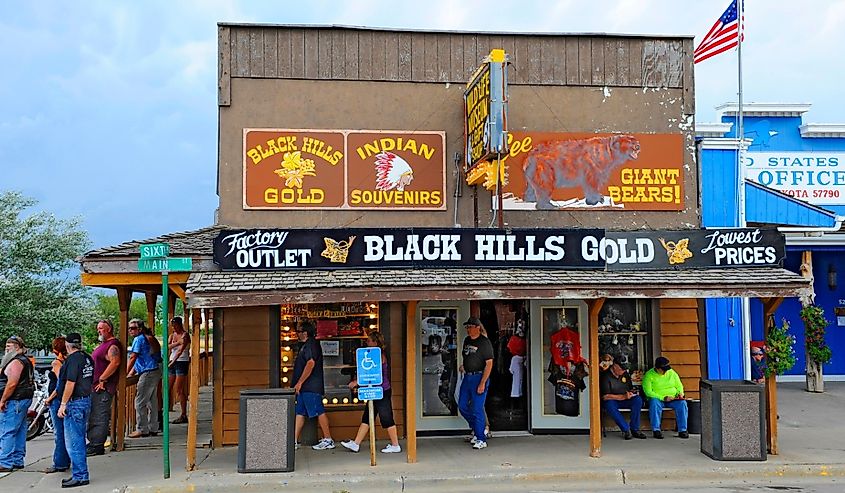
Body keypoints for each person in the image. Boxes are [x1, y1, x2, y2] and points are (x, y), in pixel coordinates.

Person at [340, 330, 401, 454]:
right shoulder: (377, 354)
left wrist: (356, 382)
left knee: (386, 417)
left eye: (369, 340)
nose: (366, 342)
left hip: (381, 390)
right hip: (374, 390)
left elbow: (371, 372)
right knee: (367, 417)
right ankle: (356, 444)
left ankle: (395, 445)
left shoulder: (378, 355)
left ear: (375, 342)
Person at [57, 332, 94, 488]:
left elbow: (70, 383)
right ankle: (80, 474)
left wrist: (63, 403)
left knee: (74, 441)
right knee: (78, 438)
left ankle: (80, 475)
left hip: (74, 403)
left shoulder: (73, 360)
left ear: (67, 345)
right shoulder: (87, 358)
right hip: (85, 400)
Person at [292, 320, 335, 450]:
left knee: (319, 411)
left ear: (305, 333)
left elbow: (310, 363)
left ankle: (328, 439)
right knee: (300, 413)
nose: (297, 334)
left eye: (299, 332)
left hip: (311, 386)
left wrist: (300, 382)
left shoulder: (311, 345)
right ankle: (293, 440)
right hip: (304, 388)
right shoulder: (305, 345)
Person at [87, 319, 122, 456]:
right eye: (98, 328)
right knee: (94, 414)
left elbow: (115, 362)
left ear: (109, 329)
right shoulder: (104, 345)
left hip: (103, 388)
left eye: (101, 328)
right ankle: (93, 442)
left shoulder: (113, 345)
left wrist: (103, 378)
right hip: (95, 386)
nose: (99, 331)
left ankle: (97, 445)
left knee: (99, 416)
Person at [458, 317, 494, 450]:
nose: (468, 329)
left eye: (471, 327)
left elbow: (489, 364)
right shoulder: (467, 340)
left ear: (478, 327)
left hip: (479, 377)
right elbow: (468, 356)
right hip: (467, 377)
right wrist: (464, 366)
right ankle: (477, 428)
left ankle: (481, 439)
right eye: (467, 327)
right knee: (462, 406)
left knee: (477, 408)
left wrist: (482, 382)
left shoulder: (485, 343)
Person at [0, 335, 34, 472]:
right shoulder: (22, 360)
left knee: (7, 431)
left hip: (15, 399)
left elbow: (12, 383)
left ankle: (5, 462)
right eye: (6, 346)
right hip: (22, 399)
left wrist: (3, 399)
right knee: (19, 430)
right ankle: (17, 460)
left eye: (9, 346)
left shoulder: (16, 362)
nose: (6, 349)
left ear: (17, 347)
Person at [127, 319, 161, 438]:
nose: (130, 330)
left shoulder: (139, 339)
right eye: (129, 328)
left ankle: (142, 429)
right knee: (152, 401)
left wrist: (125, 373)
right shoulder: (146, 338)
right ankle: (153, 427)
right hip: (154, 370)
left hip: (147, 372)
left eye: (133, 328)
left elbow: (133, 357)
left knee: (139, 402)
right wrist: (131, 372)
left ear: (140, 329)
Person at [642, 356, 688, 439]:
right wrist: (663, 398)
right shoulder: (649, 375)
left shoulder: (671, 372)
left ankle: (682, 430)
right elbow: (648, 392)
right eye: (663, 369)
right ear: (657, 368)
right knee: (654, 403)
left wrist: (680, 393)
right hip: (658, 399)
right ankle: (656, 430)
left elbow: (679, 385)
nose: (665, 371)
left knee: (682, 404)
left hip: (673, 399)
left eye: (666, 369)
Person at [43, 337, 70, 474]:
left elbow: (60, 384)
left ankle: (59, 462)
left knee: (59, 432)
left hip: (57, 400)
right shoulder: (67, 361)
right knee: (65, 432)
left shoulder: (57, 363)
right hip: (64, 399)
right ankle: (65, 460)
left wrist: (49, 398)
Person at [600, 363, 647, 440]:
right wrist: (623, 397)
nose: (623, 371)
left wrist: (631, 393)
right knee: (609, 405)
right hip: (612, 400)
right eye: (622, 369)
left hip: (625, 399)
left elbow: (629, 388)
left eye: (625, 369)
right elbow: (605, 396)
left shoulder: (625, 374)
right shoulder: (605, 376)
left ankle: (635, 429)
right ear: (615, 366)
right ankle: (625, 430)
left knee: (637, 400)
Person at [167, 316, 191, 425]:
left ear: (180, 324)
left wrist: (172, 362)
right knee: (167, 387)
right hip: (172, 361)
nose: (174, 327)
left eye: (175, 325)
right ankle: (165, 411)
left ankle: (183, 414)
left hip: (181, 362)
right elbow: (167, 347)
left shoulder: (185, 335)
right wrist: (177, 343)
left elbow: (181, 350)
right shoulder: (172, 336)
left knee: (179, 389)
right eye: (172, 325)